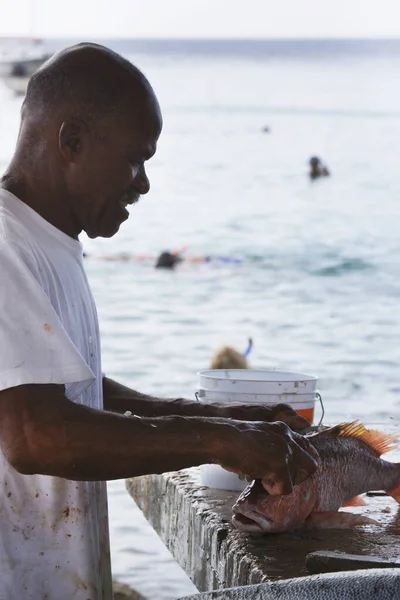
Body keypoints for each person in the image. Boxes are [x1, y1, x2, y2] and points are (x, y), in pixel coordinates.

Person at [0, 43, 318, 599]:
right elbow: (37, 435)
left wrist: (229, 419)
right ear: (71, 141)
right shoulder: (6, 244)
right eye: (134, 158)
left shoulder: (47, 243)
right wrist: (218, 439)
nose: (143, 183)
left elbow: (74, 394)